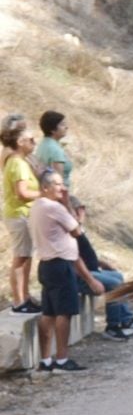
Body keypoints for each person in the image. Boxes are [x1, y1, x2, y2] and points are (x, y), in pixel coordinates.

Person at [29, 170, 104, 372]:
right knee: (64, 314)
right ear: (45, 187)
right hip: (61, 266)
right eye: (58, 185)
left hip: (46, 264)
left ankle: (45, 360)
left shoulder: (36, 206)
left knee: (48, 313)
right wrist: (67, 204)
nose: (63, 189)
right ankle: (62, 359)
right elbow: (77, 231)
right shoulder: (55, 208)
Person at [73, 199, 133, 340]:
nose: (82, 212)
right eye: (77, 210)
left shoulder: (79, 229)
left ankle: (126, 320)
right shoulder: (70, 231)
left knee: (117, 276)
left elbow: (87, 255)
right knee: (115, 284)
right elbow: (74, 258)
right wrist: (90, 279)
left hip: (91, 270)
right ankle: (112, 327)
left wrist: (102, 264)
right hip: (80, 276)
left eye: (82, 209)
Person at [2, 124, 41, 313]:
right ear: (20, 142)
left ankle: (24, 296)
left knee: (25, 257)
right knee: (21, 257)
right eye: (31, 140)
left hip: (22, 214)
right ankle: (19, 301)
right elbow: (22, 192)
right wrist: (45, 193)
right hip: (20, 215)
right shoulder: (17, 163)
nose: (35, 143)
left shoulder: (18, 161)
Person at [33, 111, 73, 191]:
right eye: (62, 124)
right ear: (53, 130)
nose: (66, 127)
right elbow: (58, 181)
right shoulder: (55, 150)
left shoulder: (44, 144)